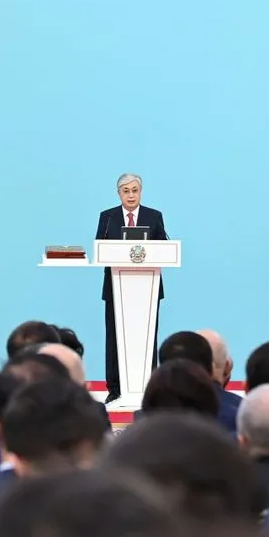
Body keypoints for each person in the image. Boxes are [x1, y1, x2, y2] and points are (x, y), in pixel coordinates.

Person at [94, 172, 168, 404]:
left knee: (148, 337)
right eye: (126, 191)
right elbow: (100, 249)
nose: (131, 195)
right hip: (116, 288)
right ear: (119, 194)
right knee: (113, 337)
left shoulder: (154, 216)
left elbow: (164, 250)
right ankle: (115, 388)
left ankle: (148, 386)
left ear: (140, 192)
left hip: (147, 289)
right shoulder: (107, 217)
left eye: (134, 190)